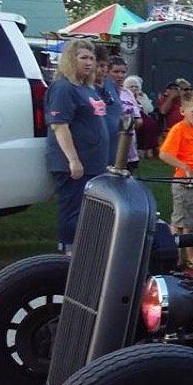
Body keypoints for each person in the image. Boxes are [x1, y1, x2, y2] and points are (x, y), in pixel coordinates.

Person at [45, 39, 109, 254]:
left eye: (92, 58)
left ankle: (85, 251)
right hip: (74, 164)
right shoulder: (63, 88)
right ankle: (68, 252)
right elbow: (59, 125)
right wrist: (73, 160)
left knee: (88, 211)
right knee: (72, 210)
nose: (89, 63)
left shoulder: (88, 89)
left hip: (94, 163)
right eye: (83, 58)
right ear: (71, 60)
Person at [159, 91, 193, 274]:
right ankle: (185, 259)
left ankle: (189, 255)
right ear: (183, 111)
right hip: (184, 181)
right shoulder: (179, 130)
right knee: (183, 221)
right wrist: (185, 167)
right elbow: (164, 154)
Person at [108, 57, 143, 170]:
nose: (120, 75)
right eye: (116, 71)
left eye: (123, 72)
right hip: (110, 147)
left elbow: (138, 119)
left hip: (128, 147)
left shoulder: (128, 93)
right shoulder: (103, 91)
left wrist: (128, 124)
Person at [93, 44, 121, 165]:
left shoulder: (111, 84)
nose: (102, 70)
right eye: (98, 66)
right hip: (95, 145)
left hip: (115, 144)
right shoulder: (85, 87)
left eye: (104, 66)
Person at [125, 75, 159, 159]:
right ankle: (143, 148)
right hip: (130, 116)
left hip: (142, 115)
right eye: (131, 86)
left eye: (136, 87)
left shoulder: (142, 96)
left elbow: (149, 109)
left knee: (152, 124)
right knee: (146, 124)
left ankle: (149, 148)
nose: (134, 88)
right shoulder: (125, 96)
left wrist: (141, 98)